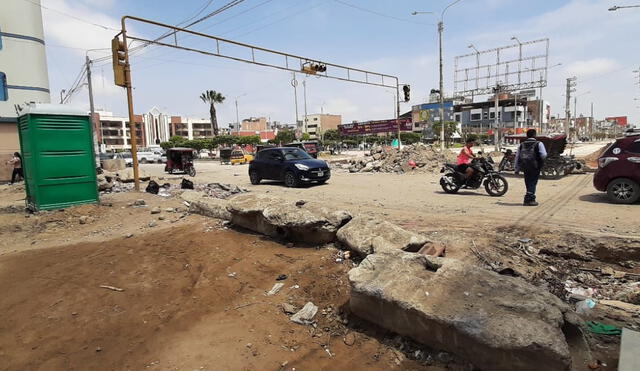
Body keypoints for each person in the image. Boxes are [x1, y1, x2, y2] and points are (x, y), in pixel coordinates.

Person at [515, 129, 547, 206]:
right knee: (533, 182)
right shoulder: (539, 144)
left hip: (525, 166)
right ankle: (529, 199)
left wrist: (516, 168)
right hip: (535, 166)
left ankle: (528, 198)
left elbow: (517, 157)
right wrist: (541, 161)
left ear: (527, 135)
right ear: (535, 135)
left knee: (528, 182)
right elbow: (544, 154)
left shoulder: (522, 144)